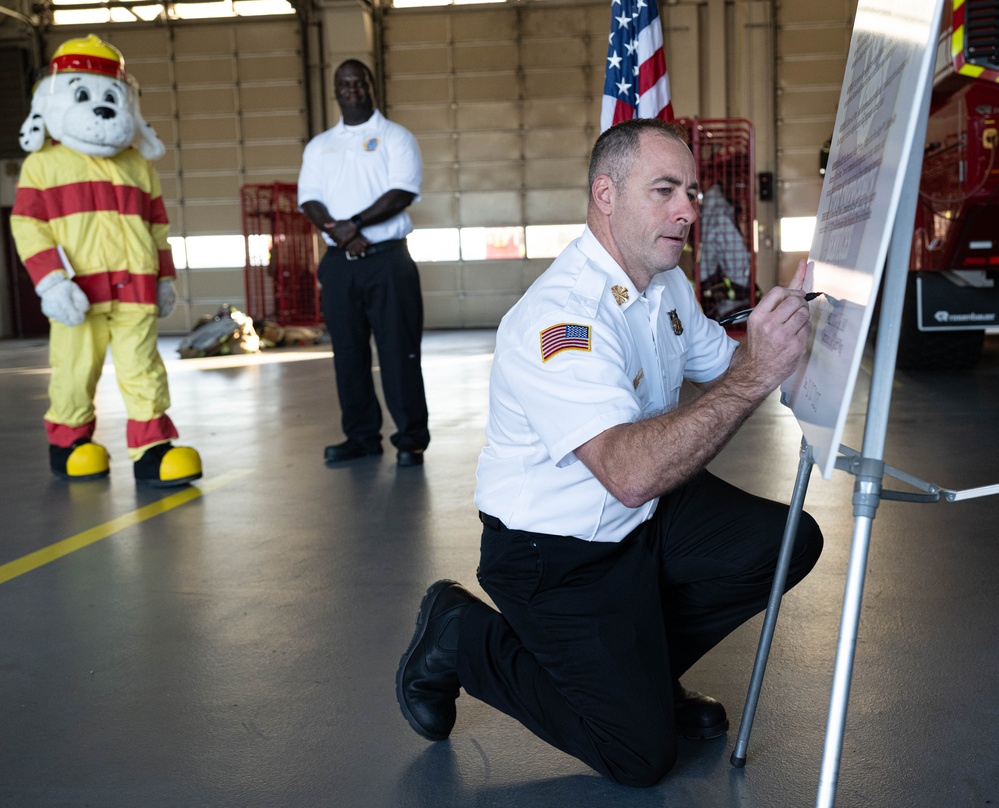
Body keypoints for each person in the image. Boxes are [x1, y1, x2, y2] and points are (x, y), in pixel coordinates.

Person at [396, 119, 824, 787]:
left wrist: (786, 326)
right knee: (639, 757)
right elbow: (628, 474)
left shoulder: (664, 284)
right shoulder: (562, 318)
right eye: (664, 190)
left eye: (690, 191)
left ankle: (641, 677)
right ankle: (458, 635)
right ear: (605, 194)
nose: (687, 209)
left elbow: (729, 363)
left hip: (645, 515)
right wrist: (758, 372)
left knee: (785, 542)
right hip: (557, 551)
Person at [297, 59, 429, 468]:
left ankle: (410, 440)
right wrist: (340, 233)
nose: (351, 88)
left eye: (359, 81)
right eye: (344, 83)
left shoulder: (395, 137)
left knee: (398, 351)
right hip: (339, 264)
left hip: (387, 261)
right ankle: (361, 436)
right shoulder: (320, 145)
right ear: (335, 90)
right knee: (348, 354)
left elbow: (402, 192)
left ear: (371, 86)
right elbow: (309, 199)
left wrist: (352, 225)